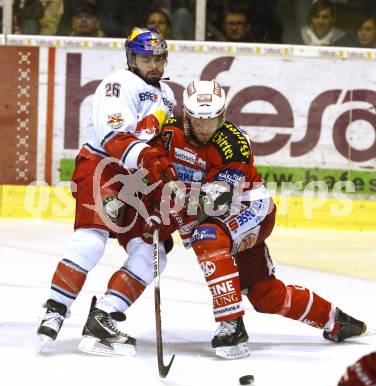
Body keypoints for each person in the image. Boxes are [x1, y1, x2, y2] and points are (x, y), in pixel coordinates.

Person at [138, 79, 366, 359]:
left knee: (207, 236)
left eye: (213, 119)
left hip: (249, 209)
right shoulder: (169, 133)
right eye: (199, 120)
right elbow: (149, 165)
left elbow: (213, 203)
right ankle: (334, 320)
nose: (207, 128)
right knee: (264, 294)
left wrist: (168, 204)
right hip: (213, 216)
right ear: (187, 116)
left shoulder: (234, 142)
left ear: (222, 114)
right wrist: (153, 192)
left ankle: (231, 324)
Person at [36, 27, 176, 355]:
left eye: (159, 58)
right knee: (91, 239)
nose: (154, 64)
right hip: (103, 167)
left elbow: (160, 147)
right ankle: (56, 308)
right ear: (131, 58)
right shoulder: (118, 84)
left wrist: (161, 181)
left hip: (139, 177)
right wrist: (151, 160)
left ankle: (104, 315)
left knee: (154, 253)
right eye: (146, 58)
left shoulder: (168, 97)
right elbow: (115, 138)